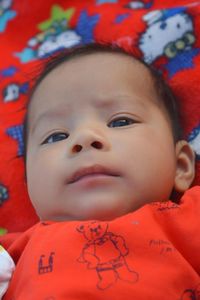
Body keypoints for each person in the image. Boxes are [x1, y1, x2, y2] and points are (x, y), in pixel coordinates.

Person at [0, 43, 199, 300]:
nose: (83, 138)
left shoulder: (187, 221)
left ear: (181, 165)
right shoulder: (13, 254)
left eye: (120, 121)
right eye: (56, 136)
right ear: (29, 184)